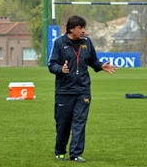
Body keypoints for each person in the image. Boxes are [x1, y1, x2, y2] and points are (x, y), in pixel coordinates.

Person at [48, 15, 117, 162]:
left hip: (83, 91)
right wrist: (61, 69)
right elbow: (51, 64)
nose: (83, 31)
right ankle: (60, 151)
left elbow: (93, 61)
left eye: (84, 28)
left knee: (79, 122)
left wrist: (101, 66)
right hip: (64, 91)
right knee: (63, 124)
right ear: (71, 29)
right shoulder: (59, 43)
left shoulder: (87, 42)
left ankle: (76, 154)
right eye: (80, 28)